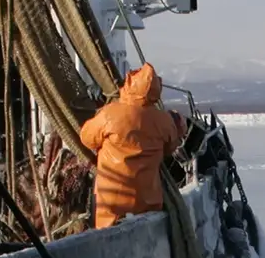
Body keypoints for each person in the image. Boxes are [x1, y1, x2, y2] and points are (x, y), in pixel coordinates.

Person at [78, 62, 186, 230]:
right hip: (148, 202)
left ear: (129, 84)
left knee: (107, 238)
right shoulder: (164, 121)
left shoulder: (109, 114)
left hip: (111, 205)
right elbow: (171, 147)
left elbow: (86, 138)